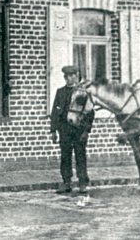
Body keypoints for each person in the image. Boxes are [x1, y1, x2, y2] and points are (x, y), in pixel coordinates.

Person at [49, 65, 94, 194]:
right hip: (64, 129)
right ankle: (67, 182)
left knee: (80, 155)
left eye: (71, 76)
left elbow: (90, 113)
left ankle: (82, 183)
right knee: (65, 156)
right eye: (66, 77)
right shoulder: (60, 92)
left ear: (76, 76)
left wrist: (86, 130)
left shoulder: (83, 92)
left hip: (79, 129)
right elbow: (55, 113)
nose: (69, 79)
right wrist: (53, 130)